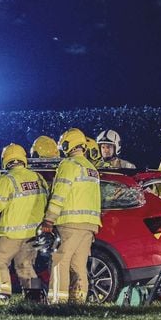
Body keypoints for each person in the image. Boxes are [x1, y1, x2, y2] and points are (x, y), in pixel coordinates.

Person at [40, 128, 101, 304]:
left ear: (69, 144)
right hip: (89, 225)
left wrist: (49, 219)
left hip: (70, 223)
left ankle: (57, 301)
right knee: (78, 265)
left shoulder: (68, 165)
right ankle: (78, 301)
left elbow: (59, 194)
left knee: (60, 260)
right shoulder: (92, 169)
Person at [0, 144, 49, 302]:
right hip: (32, 233)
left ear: (5, 160)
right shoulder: (38, 178)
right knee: (25, 264)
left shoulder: (7, 179)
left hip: (11, 233)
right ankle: (35, 296)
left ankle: (1, 293)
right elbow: (46, 202)